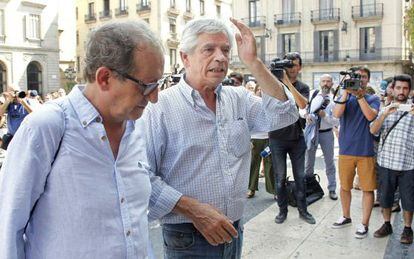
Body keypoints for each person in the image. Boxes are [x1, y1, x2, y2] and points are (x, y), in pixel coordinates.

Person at [0, 20, 163, 258]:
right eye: (147, 86)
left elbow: (135, 224)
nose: (155, 97)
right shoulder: (48, 127)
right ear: (105, 77)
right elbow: (8, 226)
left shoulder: (136, 128)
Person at [144, 18, 298, 258]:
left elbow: (285, 115)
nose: (221, 57)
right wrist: (195, 211)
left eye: (225, 50)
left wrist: (254, 62)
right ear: (185, 57)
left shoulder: (239, 99)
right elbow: (141, 177)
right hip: (188, 236)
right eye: (209, 49)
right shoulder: (159, 108)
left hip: (233, 230)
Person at [332, 66, 380, 239]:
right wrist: (345, 92)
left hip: (366, 152)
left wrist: (359, 96)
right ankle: (346, 216)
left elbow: (371, 116)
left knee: (367, 189)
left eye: (363, 77)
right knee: (345, 187)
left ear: (368, 80)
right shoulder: (344, 97)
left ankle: (364, 224)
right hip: (346, 150)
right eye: (356, 77)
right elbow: (337, 114)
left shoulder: (373, 98)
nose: (360, 79)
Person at [268, 52, 316, 225]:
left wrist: (287, 82)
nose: (291, 69)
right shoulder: (273, 86)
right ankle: (282, 211)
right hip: (277, 138)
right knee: (280, 178)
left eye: (294, 65)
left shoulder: (302, 87)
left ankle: (303, 210)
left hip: (297, 138)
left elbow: (302, 104)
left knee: (300, 176)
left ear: (300, 67)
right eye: (288, 65)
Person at [370, 74, 414, 244]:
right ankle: (387, 224)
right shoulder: (385, 109)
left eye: (405, 88)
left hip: (408, 164)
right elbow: (373, 131)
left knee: (409, 200)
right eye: (398, 88)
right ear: (392, 89)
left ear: (409, 91)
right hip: (386, 163)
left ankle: (408, 228)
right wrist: (384, 115)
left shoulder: (412, 110)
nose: (401, 91)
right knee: (385, 198)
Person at [304, 74, 339, 200]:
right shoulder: (312, 95)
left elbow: (337, 122)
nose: (325, 83)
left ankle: (332, 189)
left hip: (326, 134)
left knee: (329, 162)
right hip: (312, 133)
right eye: (323, 81)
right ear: (320, 82)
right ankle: (308, 187)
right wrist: (306, 115)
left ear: (332, 83)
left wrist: (325, 116)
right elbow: (303, 109)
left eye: (328, 81)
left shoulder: (335, 100)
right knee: (308, 162)